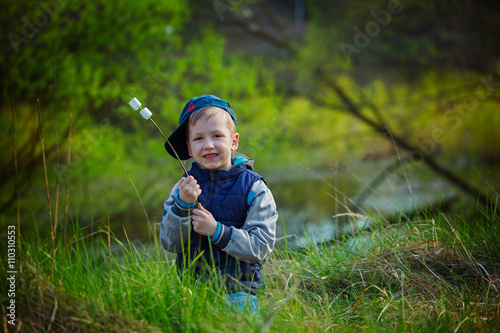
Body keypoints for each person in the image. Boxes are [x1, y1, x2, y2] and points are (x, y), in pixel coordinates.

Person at [159, 94, 278, 314]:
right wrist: (182, 206)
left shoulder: (253, 187)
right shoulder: (182, 188)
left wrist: (217, 231)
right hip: (191, 290)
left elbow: (261, 246)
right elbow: (170, 244)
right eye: (198, 139)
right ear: (188, 147)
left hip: (239, 289)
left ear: (233, 141)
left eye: (217, 135)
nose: (208, 145)